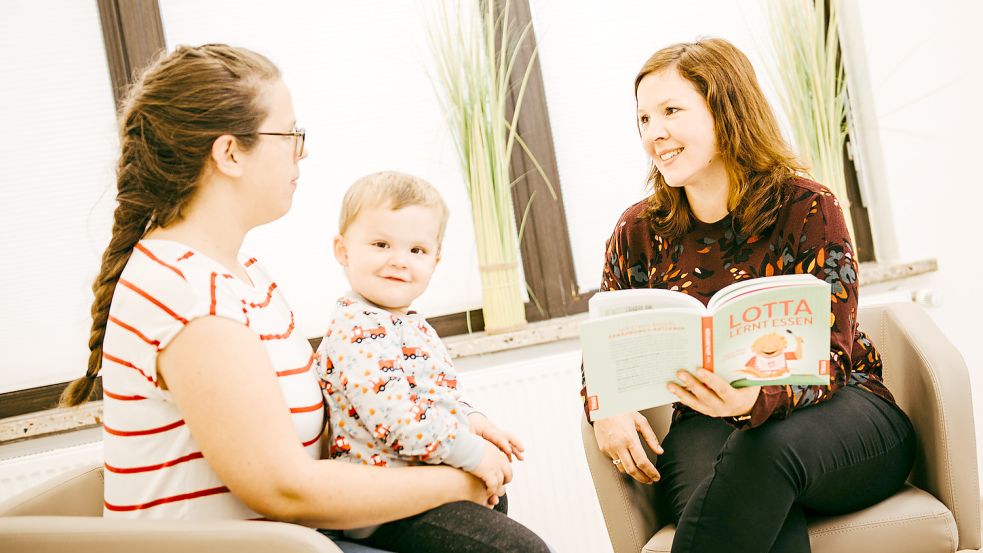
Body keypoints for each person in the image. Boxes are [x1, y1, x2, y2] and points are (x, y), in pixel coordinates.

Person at [59, 44, 500, 553]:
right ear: (229, 153)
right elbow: (285, 490)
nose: (302, 151)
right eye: (291, 134)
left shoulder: (243, 275)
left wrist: (460, 433)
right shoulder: (186, 292)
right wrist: (461, 479)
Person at [587, 38, 915, 553]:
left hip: (841, 413)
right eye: (644, 119)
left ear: (726, 109)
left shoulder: (807, 206)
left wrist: (755, 398)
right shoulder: (638, 230)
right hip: (705, 425)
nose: (655, 133)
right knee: (741, 485)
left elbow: (834, 356)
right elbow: (603, 338)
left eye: (671, 110)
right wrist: (602, 406)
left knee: (762, 450)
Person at [315, 171, 550, 553]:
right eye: (380, 244)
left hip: (421, 489)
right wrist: (473, 454)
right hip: (386, 508)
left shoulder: (406, 322)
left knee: (498, 502)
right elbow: (398, 420)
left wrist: (473, 420)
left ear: (435, 260)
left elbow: (427, 392)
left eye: (416, 251)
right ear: (343, 251)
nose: (399, 262)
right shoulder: (356, 330)